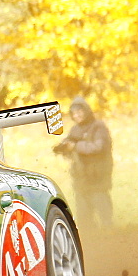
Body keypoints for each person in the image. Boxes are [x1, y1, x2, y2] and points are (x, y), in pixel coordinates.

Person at [53, 97, 113, 229]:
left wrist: (75, 146)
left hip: (98, 175)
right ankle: (90, 236)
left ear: (87, 111)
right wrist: (62, 148)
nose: (77, 115)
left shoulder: (98, 126)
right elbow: (70, 144)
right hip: (81, 176)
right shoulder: (75, 129)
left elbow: (98, 147)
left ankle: (110, 234)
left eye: (80, 111)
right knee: (83, 210)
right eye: (74, 113)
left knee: (101, 205)